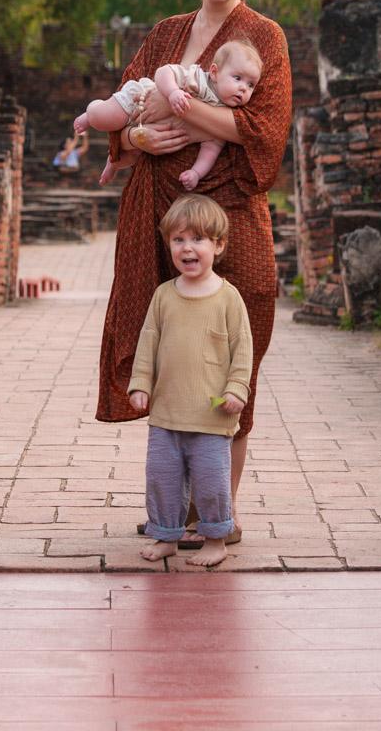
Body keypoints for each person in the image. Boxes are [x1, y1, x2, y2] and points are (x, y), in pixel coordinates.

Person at [96, 0, 292, 549]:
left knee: (234, 356)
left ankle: (218, 512)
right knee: (173, 360)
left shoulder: (264, 39)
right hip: (160, 216)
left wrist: (185, 111)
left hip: (233, 216)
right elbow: (124, 114)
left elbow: (261, 133)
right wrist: (142, 136)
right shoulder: (165, 34)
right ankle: (172, 509)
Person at [128, 194, 252, 568]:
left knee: (211, 483)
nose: (187, 248)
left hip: (211, 417)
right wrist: (141, 384)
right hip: (166, 413)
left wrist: (236, 390)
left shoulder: (229, 299)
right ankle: (166, 536)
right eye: (178, 240)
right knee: (162, 479)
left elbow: (242, 351)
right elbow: (148, 339)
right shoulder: (164, 295)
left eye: (197, 239)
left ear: (218, 245)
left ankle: (216, 539)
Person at [73, 38, 263, 188]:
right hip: (139, 101)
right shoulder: (198, 80)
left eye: (250, 85)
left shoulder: (226, 115)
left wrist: (196, 173)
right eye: (237, 78)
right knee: (104, 119)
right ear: (214, 72)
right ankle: (91, 111)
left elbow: (210, 151)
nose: (243, 88)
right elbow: (164, 72)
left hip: (152, 130)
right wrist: (172, 92)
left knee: (131, 156)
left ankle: (113, 164)